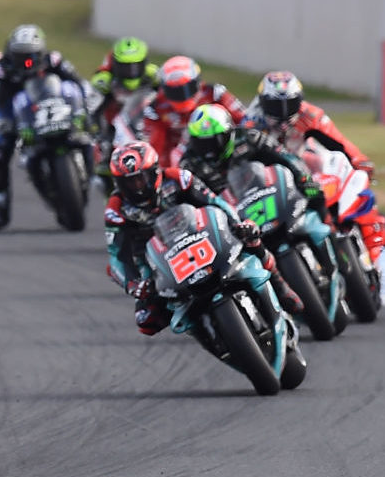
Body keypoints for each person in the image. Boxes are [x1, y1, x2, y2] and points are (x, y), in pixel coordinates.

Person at [103, 141, 287, 337]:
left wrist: (236, 223)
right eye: (129, 182)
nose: (137, 187)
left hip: (200, 234)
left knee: (249, 237)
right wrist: (133, 284)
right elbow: (117, 257)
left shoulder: (178, 178)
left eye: (141, 178)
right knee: (146, 321)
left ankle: (281, 286)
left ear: (155, 171)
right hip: (155, 258)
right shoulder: (115, 210)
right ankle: (201, 330)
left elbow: (214, 202)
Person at [180, 104, 341, 286]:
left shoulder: (249, 137)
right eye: (201, 143)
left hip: (269, 195)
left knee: (314, 192)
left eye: (213, 141)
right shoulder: (189, 164)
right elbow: (190, 207)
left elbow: (284, 156)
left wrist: (302, 177)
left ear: (228, 133)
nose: (208, 149)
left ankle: (334, 234)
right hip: (235, 217)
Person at [246, 71, 385, 261]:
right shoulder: (251, 123)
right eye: (275, 105)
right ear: (263, 102)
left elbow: (339, 142)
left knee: (351, 178)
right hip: (275, 178)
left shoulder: (310, 114)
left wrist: (359, 160)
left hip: (307, 167)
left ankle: (374, 232)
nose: (283, 113)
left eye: (289, 104)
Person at [0, 25, 84, 232]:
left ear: (41, 53)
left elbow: (78, 85)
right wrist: (5, 122)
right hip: (18, 116)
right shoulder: (2, 70)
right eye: (20, 57)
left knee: (92, 137)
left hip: (56, 110)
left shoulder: (54, 61)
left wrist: (82, 110)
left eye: (30, 57)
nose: (25, 63)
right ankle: (1, 211)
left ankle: (102, 181)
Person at [134, 55, 246, 162]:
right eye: (174, 91)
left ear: (197, 83)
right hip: (183, 162)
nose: (182, 96)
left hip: (224, 152)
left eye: (187, 88)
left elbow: (245, 120)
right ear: (164, 90)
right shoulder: (155, 109)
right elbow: (153, 148)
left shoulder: (215, 93)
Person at [88, 36, 160, 179]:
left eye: (135, 66)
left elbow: (167, 98)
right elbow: (91, 109)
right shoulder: (103, 80)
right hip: (114, 124)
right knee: (103, 157)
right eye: (125, 67)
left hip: (142, 119)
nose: (131, 72)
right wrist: (97, 133)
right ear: (115, 65)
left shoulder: (154, 75)